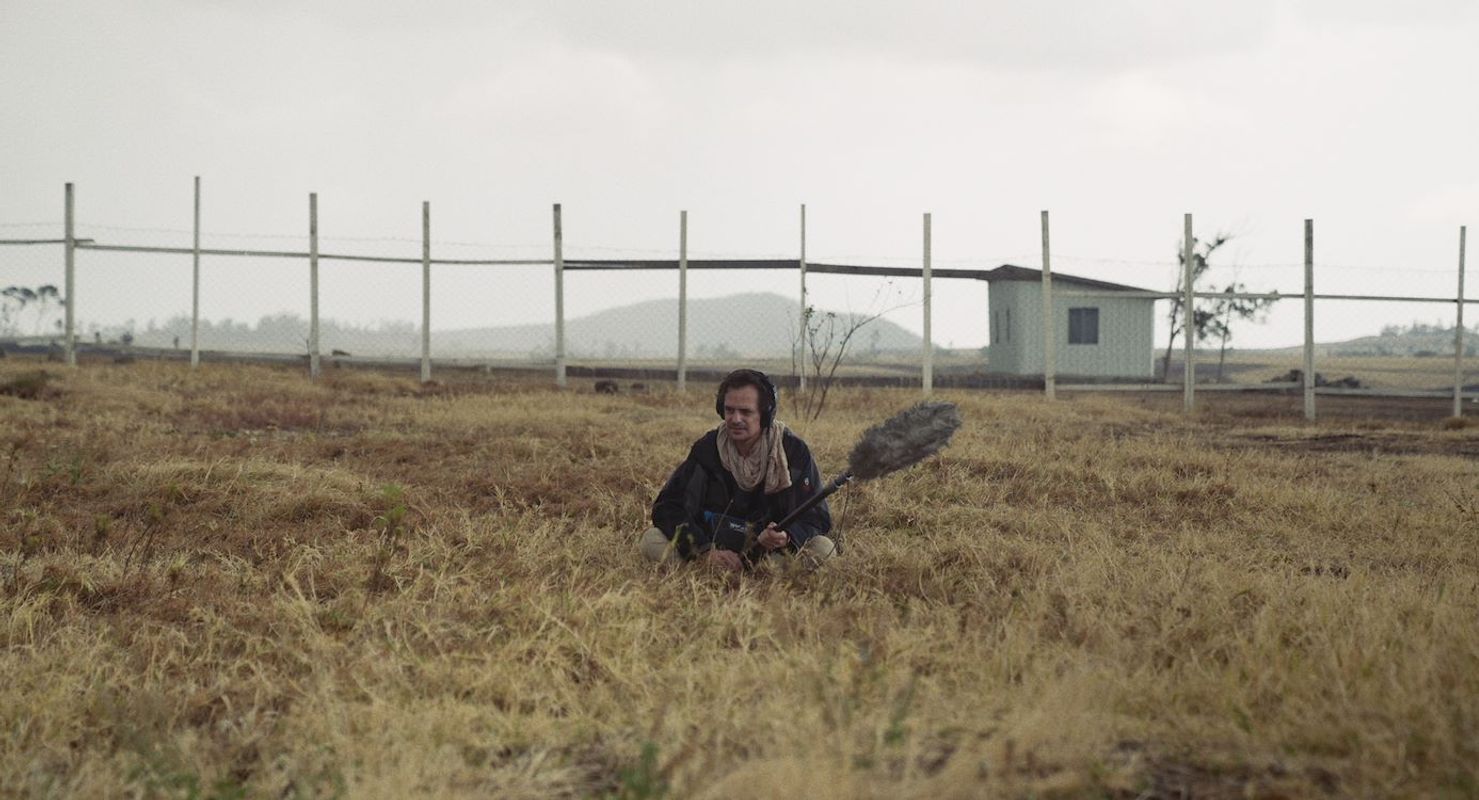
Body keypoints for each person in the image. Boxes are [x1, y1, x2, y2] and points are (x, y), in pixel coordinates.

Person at [640, 368, 836, 572]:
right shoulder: (707, 449)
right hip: (712, 548)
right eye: (729, 410)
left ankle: (760, 573)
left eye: (745, 412)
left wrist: (787, 536)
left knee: (824, 548)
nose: (735, 419)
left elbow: (817, 518)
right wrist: (703, 550)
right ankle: (709, 571)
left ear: (766, 414)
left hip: (769, 555)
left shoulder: (793, 452)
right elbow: (669, 507)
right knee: (651, 539)